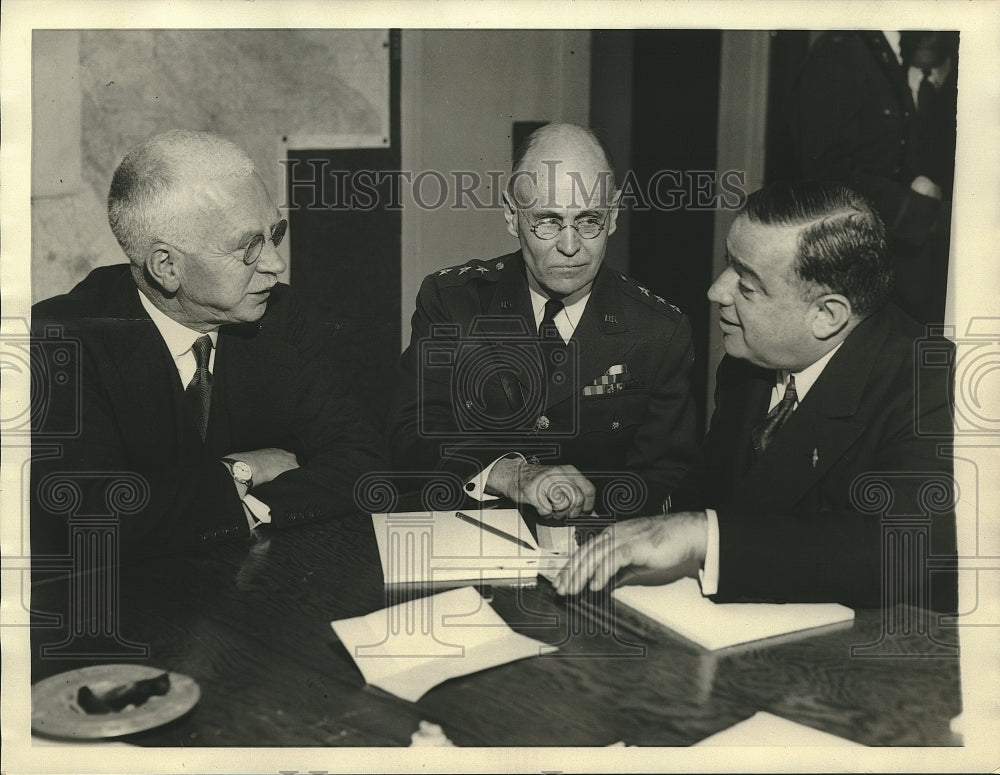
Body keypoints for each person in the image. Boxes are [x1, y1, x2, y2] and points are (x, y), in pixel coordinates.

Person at [556, 182, 957, 612]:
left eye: (746, 285)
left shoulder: (933, 385)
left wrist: (703, 536)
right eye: (728, 266)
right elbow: (709, 494)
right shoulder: (750, 362)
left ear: (826, 315)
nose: (716, 291)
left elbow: (902, 552)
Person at [31, 130, 385, 560]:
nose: (276, 264)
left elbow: (362, 461)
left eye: (273, 235)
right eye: (249, 247)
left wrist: (251, 507)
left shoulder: (280, 313)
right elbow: (91, 516)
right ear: (167, 266)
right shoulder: (56, 337)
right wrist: (242, 471)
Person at [387, 123, 697, 519]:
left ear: (614, 215)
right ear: (512, 216)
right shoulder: (453, 304)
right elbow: (410, 437)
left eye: (589, 221)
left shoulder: (659, 332)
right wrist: (511, 474)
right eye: (548, 221)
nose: (570, 247)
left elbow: (667, 479)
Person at [789, 30, 958, 327]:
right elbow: (828, 174)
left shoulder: (884, 51)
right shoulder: (843, 51)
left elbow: (885, 150)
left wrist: (917, 179)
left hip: (889, 255)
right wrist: (924, 212)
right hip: (849, 256)